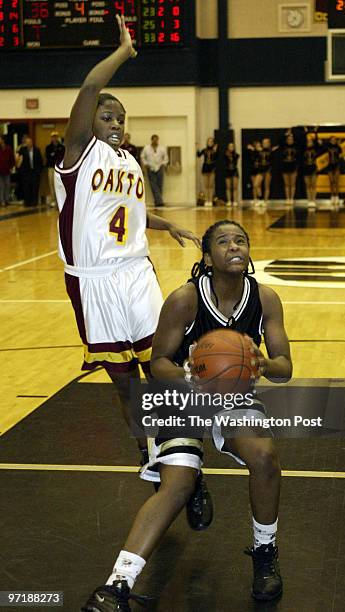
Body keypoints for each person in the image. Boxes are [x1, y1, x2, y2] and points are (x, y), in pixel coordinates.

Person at [54, 15, 209, 552]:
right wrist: (123, 50)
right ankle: (149, 452)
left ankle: (185, 455)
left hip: (135, 274)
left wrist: (169, 226)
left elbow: (133, 213)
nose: (116, 119)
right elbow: (91, 85)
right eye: (107, 113)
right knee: (124, 382)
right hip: (94, 285)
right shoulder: (77, 156)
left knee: (161, 365)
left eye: (121, 115)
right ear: (88, 120)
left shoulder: (130, 162)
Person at [82, 219, 293, 610]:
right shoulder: (185, 299)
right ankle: (117, 585)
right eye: (225, 241)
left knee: (264, 457)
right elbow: (159, 360)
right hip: (182, 396)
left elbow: (285, 367)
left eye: (242, 241)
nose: (235, 247)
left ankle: (266, 555)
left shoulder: (265, 299)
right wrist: (191, 375)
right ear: (208, 256)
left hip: (234, 398)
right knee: (177, 484)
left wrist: (261, 364)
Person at [141, 134, 168, 206]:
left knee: (160, 185)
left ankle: (157, 202)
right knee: (153, 185)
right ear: (152, 140)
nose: (155, 141)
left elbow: (165, 158)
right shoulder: (146, 148)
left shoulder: (162, 148)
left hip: (160, 168)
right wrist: (145, 164)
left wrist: (163, 164)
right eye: (154, 139)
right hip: (150, 168)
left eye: (157, 139)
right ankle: (160, 201)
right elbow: (142, 157)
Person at [15, 136, 43, 207]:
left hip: (35, 172)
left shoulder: (37, 150)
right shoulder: (22, 149)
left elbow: (40, 161)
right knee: (26, 188)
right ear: (25, 143)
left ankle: (34, 202)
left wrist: (38, 171)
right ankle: (27, 202)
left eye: (30, 142)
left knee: (35, 187)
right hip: (26, 172)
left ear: (32, 143)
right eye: (27, 142)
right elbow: (17, 157)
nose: (29, 144)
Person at [302, 127, 321, 209]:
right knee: (308, 185)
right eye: (308, 142)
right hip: (306, 168)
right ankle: (309, 200)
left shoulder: (315, 149)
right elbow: (302, 141)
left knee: (313, 185)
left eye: (311, 142)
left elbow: (316, 141)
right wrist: (306, 133)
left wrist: (315, 132)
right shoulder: (303, 149)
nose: (309, 143)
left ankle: (313, 200)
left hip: (313, 167)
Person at [197, 137, 218, 207]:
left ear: (213, 143)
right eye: (209, 141)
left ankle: (210, 200)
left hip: (212, 167)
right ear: (207, 142)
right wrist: (197, 148)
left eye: (211, 141)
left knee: (211, 185)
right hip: (205, 167)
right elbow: (199, 155)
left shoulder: (214, 150)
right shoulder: (204, 150)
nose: (210, 143)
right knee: (206, 185)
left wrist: (215, 151)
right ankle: (206, 200)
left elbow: (217, 158)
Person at [45, 131, 65, 208]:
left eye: (55, 137)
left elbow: (62, 157)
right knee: (51, 184)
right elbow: (49, 157)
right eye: (53, 137)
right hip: (51, 167)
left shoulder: (62, 147)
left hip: (60, 168)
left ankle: (59, 200)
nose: (54, 138)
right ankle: (53, 200)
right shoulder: (48, 148)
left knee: (59, 183)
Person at [280, 130, 298, 206]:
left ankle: (292, 198)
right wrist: (286, 134)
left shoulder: (296, 146)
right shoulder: (283, 146)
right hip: (285, 167)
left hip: (293, 166)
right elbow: (280, 140)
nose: (290, 141)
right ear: (286, 140)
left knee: (292, 184)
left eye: (291, 139)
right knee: (287, 184)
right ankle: (287, 198)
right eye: (288, 139)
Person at [325, 136, 342, 208]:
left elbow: (341, 151)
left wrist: (338, 144)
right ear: (329, 141)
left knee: (336, 181)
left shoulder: (338, 147)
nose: (333, 141)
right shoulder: (327, 147)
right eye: (332, 140)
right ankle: (332, 196)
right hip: (330, 165)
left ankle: (337, 196)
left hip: (337, 165)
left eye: (334, 140)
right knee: (331, 181)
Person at [0, 135, 15, 207]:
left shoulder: (8, 149)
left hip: (7, 170)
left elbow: (12, 158)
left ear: (3, 140)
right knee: (1, 186)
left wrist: (12, 166)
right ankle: (2, 200)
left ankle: (7, 199)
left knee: (7, 185)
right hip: (0, 171)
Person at [246, 140, 263, 207]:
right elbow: (250, 157)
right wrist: (251, 149)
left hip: (260, 170)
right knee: (254, 185)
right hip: (253, 170)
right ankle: (255, 199)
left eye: (259, 145)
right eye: (257, 146)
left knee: (257, 185)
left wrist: (258, 150)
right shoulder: (253, 152)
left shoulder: (262, 152)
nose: (258, 147)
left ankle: (260, 199)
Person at [224, 142, 239, 207]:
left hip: (234, 171)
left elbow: (235, 160)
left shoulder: (236, 155)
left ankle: (235, 201)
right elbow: (225, 161)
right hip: (227, 171)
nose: (231, 147)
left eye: (232, 146)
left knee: (235, 187)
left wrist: (231, 155)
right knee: (228, 187)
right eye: (230, 146)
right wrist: (227, 155)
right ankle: (229, 201)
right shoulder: (225, 154)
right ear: (228, 147)